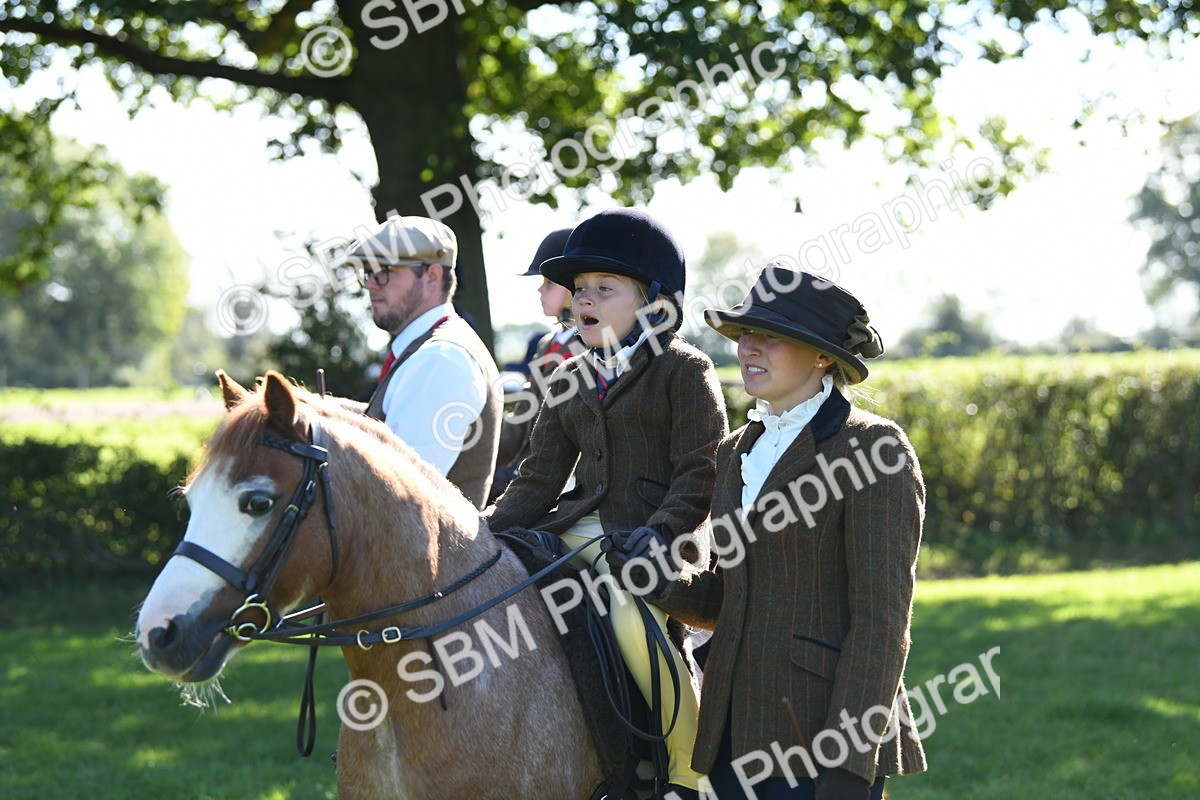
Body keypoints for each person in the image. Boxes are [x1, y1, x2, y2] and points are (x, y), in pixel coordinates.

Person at [621, 266, 927, 800]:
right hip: (732, 734)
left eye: (772, 337)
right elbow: (728, 598)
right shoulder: (734, 449)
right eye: (745, 335)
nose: (749, 349)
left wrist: (849, 766)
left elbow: (882, 623)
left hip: (820, 740)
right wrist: (661, 579)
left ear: (823, 356)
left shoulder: (874, 449)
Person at [484, 208, 729, 799]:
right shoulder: (568, 375)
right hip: (575, 529)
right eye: (579, 290)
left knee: (624, 609)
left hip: (652, 542)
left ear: (656, 306)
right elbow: (539, 477)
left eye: (604, 289)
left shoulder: (684, 370)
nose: (582, 301)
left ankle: (687, 769)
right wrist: (483, 532)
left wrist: (663, 532)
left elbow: (702, 470)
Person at [348, 215, 503, 510]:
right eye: (367, 272)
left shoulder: (439, 359)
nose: (370, 284)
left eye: (384, 271)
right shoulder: (431, 350)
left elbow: (396, 493)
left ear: (431, 276)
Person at [490, 228, 587, 503]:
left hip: (563, 482)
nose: (540, 288)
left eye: (548, 282)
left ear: (573, 286)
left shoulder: (588, 347)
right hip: (526, 469)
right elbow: (523, 415)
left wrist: (516, 474)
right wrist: (486, 461)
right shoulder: (548, 343)